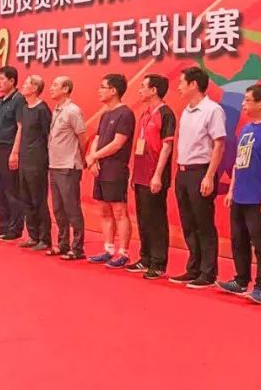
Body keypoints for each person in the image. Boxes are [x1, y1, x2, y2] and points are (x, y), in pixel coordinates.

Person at [220, 84, 261, 305]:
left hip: (259, 198)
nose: (243, 104)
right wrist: (231, 189)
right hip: (240, 195)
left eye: (248, 100)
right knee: (238, 240)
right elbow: (238, 163)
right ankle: (241, 280)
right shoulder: (246, 129)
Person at [172, 66, 227, 288]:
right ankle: (193, 268)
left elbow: (219, 144)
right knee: (188, 223)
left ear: (194, 84)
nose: (178, 87)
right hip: (182, 172)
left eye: (181, 82)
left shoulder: (212, 110)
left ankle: (208, 273)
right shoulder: (186, 110)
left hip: (201, 172)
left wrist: (210, 176)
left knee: (204, 224)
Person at [86, 74, 135, 269]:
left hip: (115, 168)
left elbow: (118, 143)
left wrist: (94, 156)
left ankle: (123, 252)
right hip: (101, 169)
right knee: (104, 210)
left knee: (119, 211)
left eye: (103, 87)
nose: (99, 90)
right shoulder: (105, 114)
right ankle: (108, 249)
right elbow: (97, 138)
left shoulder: (125, 113)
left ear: (114, 90)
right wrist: (92, 158)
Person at [130, 75, 177, 280]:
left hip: (154, 175)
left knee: (156, 219)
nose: (140, 90)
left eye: (143, 87)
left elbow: (167, 146)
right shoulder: (145, 113)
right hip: (140, 174)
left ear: (154, 90)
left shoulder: (165, 114)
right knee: (143, 218)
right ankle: (145, 257)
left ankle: (158, 263)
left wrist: (157, 175)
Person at [47, 76, 87, 260]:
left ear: (65, 89)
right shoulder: (56, 110)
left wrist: (82, 158)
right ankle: (63, 244)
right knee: (58, 208)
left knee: (72, 208)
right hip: (54, 165)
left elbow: (82, 137)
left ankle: (77, 248)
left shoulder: (73, 111)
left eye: (55, 85)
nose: (51, 88)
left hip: (68, 166)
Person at [14, 75, 52, 251]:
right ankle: (32, 235)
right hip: (24, 158)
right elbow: (21, 131)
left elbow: (48, 136)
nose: (23, 86)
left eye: (27, 84)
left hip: (37, 160)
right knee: (26, 198)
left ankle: (44, 238)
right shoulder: (24, 108)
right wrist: (16, 152)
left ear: (35, 88)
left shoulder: (42, 109)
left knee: (39, 199)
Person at [0, 66, 25, 241]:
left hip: (10, 149)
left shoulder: (19, 100)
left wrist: (15, 152)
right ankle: (3, 224)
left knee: (12, 190)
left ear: (12, 81)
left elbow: (20, 127)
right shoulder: (1, 101)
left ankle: (15, 228)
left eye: (2, 79)